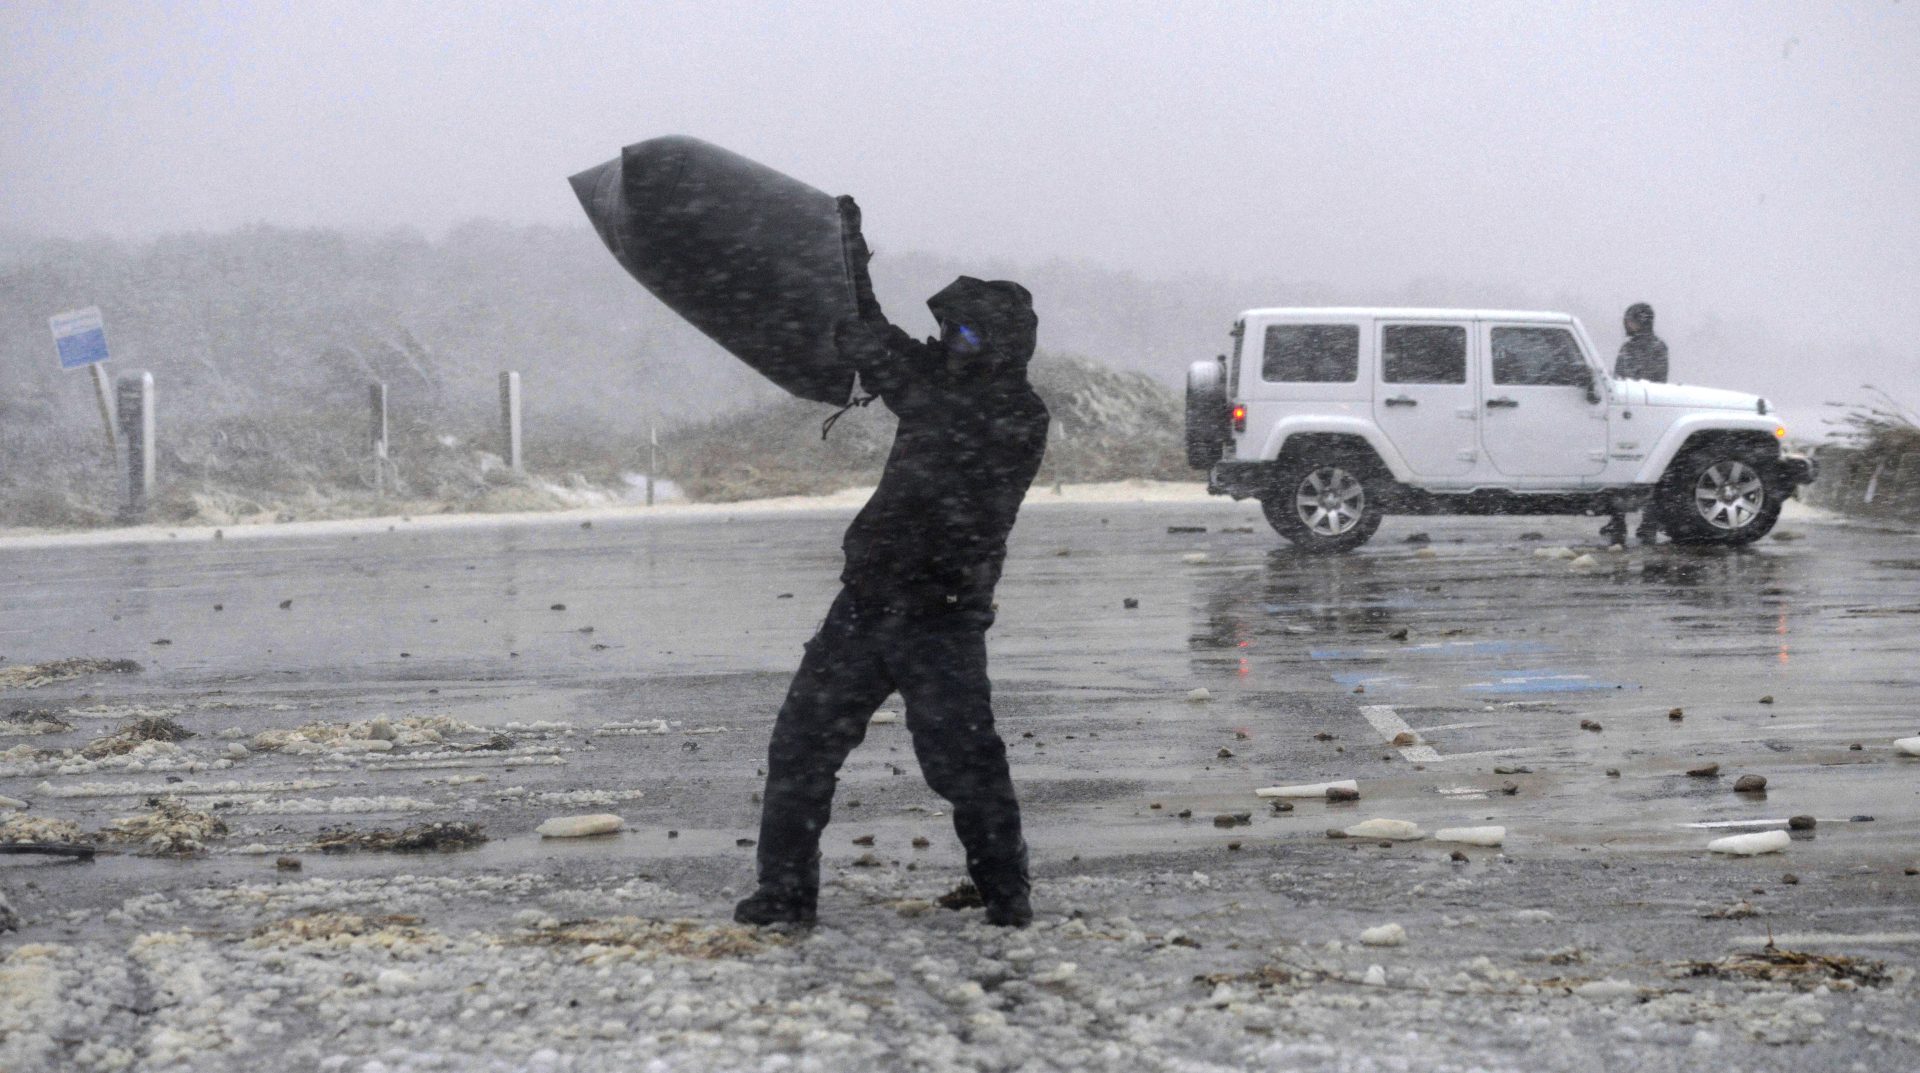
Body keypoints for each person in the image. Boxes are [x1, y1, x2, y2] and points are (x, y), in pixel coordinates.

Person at [734, 199, 1051, 929]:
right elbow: (874, 335)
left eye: (966, 333)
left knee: (964, 766)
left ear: (1000, 344)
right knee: (800, 747)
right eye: (948, 331)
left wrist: (879, 346)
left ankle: (1007, 895)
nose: (952, 343)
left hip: (941, 616)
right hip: (867, 603)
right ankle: (784, 893)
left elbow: (902, 372)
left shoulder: (1012, 412)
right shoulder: (940, 380)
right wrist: (848, 256)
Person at [1602, 302, 1670, 545]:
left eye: (1630, 320)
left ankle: (1628, 521)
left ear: (1640, 322)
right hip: (1640, 413)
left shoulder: (1642, 348)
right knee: (1645, 470)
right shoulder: (1650, 347)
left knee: (1627, 469)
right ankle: (1640, 523)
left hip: (1636, 412)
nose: (1626, 325)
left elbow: (1636, 380)